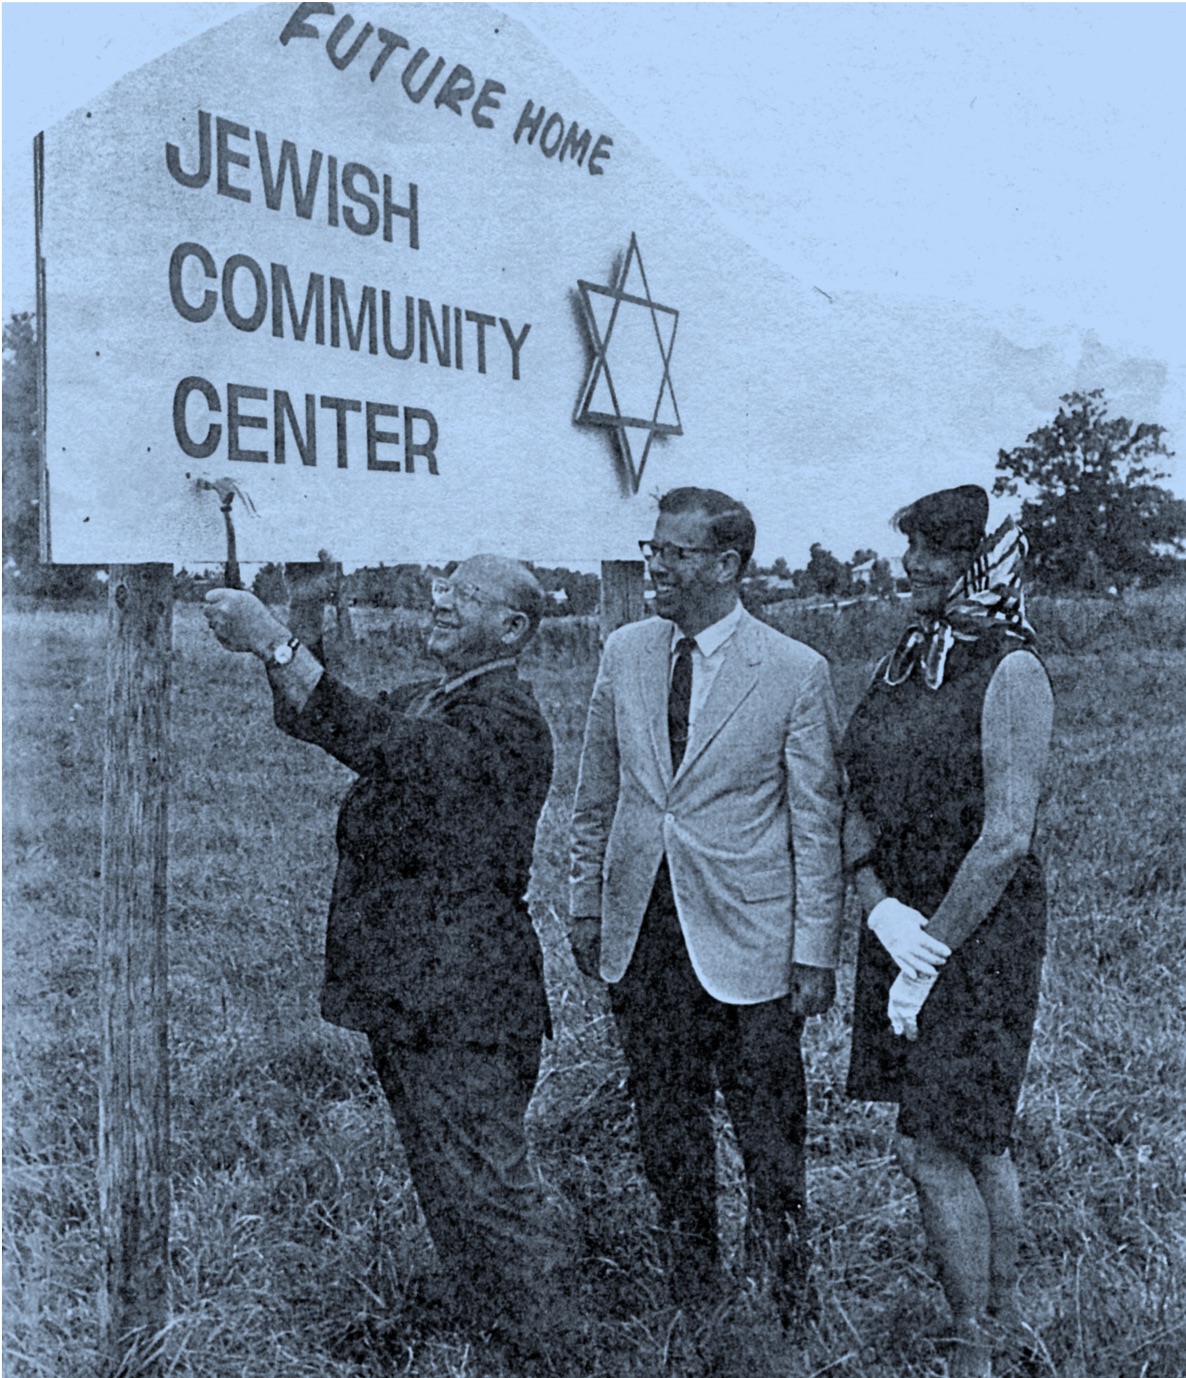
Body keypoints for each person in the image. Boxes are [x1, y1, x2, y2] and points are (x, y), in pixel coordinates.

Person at [203, 555, 576, 1358]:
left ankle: (556, 1351)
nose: (440, 604)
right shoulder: (434, 696)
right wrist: (293, 617)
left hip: (467, 999)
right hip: (417, 996)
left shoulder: (505, 715)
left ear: (512, 628)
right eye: (443, 589)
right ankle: (500, 1337)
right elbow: (323, 716)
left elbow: (393, 746)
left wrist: (274, 644)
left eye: (463, 597)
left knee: (489, 1190)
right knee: (453, 1189)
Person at [568, 487, 845, 1325]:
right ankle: (698, 1298)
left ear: (726, 565)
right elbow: (596, 794)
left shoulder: (795, 671)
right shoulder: (625, 651)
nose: (657, 565)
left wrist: (814, 951)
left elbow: (817, 822)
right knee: (666, 1128)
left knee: (770, 1137)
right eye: (652, 548)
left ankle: (791, 1293)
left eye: (676, 553)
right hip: (645, 937)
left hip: (753, 946)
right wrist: (586, 904)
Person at [841, 486, 1053, 1378]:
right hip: (899, 922)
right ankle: (1003, 1327)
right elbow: (851, 791)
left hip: (978, 934)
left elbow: (1006, 836)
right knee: (969, 1137)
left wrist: (927, 957)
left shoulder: (1012, 669)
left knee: (937, 1145)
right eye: (911, 548)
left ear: (980, 560)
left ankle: (978, 1343)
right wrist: (878, 904)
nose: (911, 565)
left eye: (932, 550)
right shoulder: (903, 660)